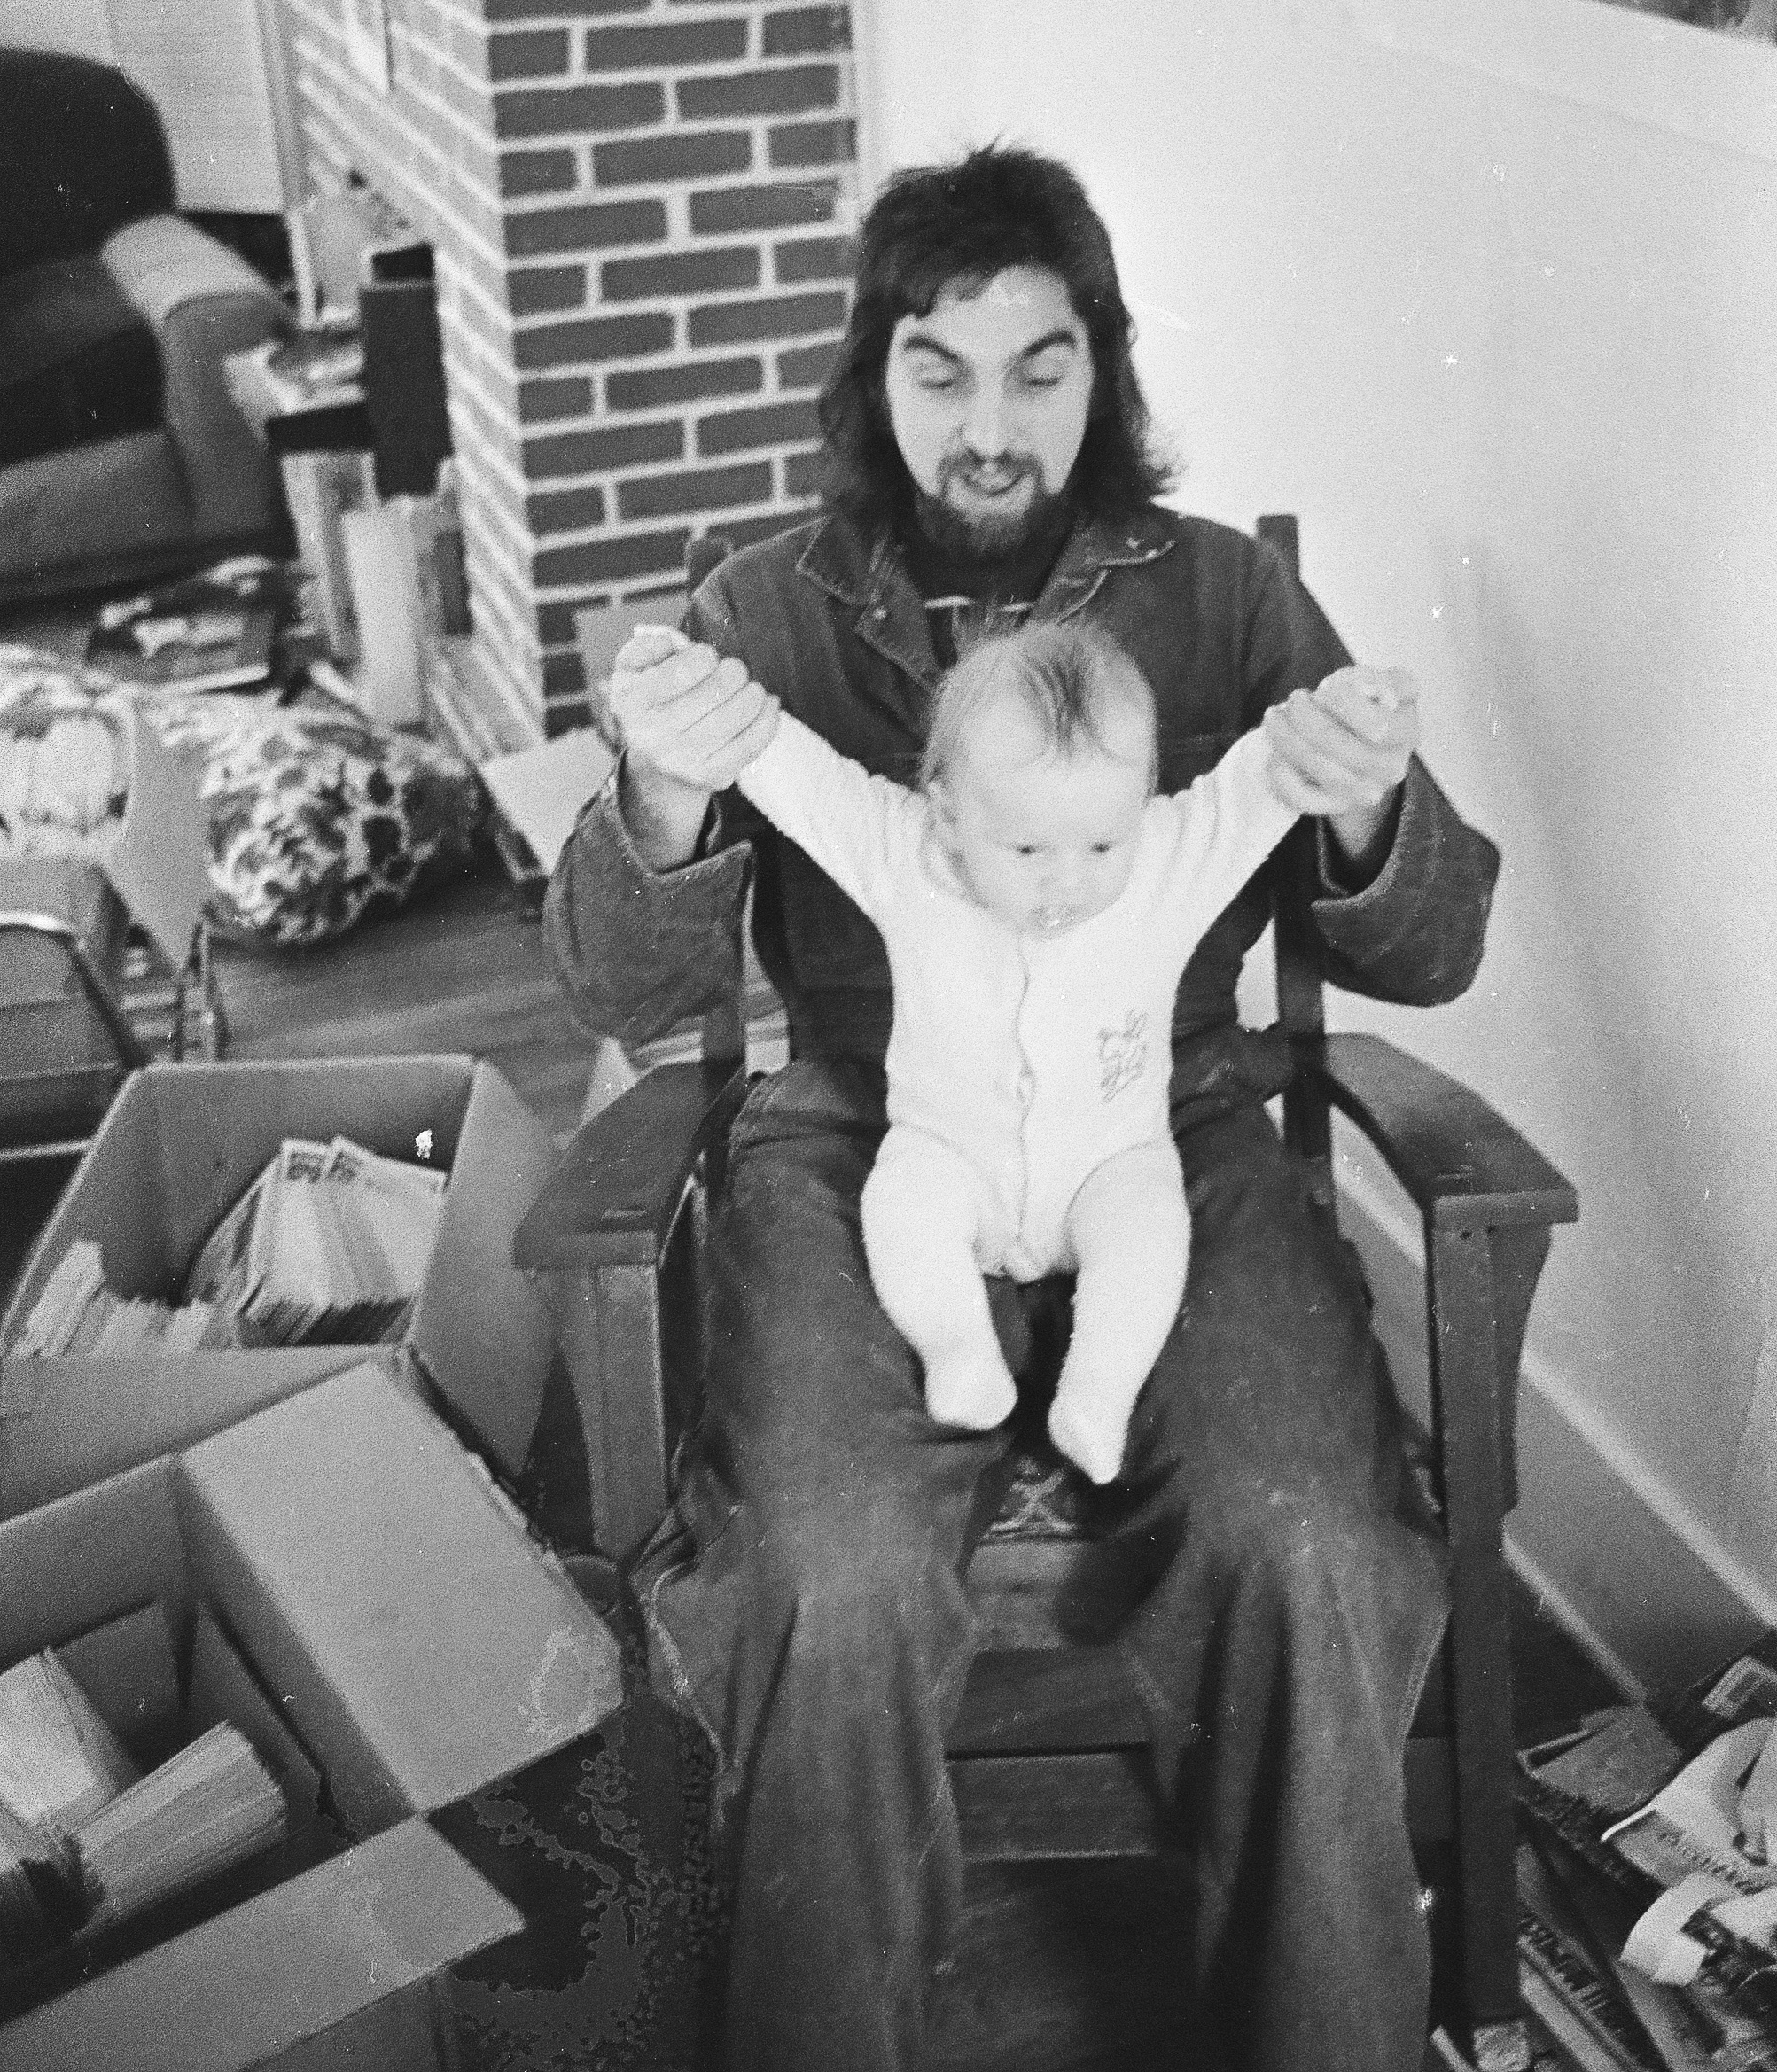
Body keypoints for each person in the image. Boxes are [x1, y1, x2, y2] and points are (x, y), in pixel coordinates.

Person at [545, 141, 1501, 2072]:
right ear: (870, 380)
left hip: (1174, 1120)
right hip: (862, 1130)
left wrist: (1370, 803)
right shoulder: (760, 605)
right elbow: (626, 992)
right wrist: (655, 801)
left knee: (1309, 1531)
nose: (989, 426)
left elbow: (1434, 944)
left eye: (1039, 369)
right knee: (827, 1560)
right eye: (939, 371)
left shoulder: (1222, 598)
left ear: (1103, 370)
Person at [616, 613, 1411, 1489]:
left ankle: (1097, 1396)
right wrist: (684, 688)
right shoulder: (903, 852)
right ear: (950, 812)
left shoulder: (1164, 863)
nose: (1067, 880)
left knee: (1149, 1233)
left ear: (1140, 804)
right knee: (903, 1208)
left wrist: (1345, 712)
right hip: (948, 1153)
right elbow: (791, 770)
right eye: (1027, 847)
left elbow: (1263, 778)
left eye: (1101, 843)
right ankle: (957, 1349)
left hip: (1112, 1160)